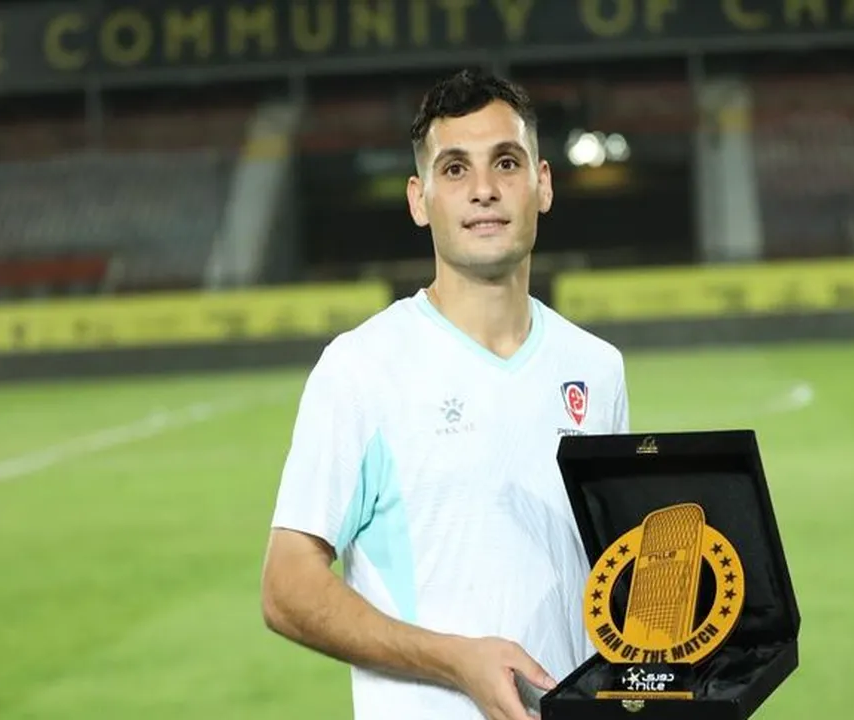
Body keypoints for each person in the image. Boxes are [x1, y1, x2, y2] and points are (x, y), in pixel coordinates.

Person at [260, 69, 631, 720]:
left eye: (506, 163)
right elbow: (286, 586)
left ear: (543, 183)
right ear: (419, 198)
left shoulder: (597, 369)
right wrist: (455, 660)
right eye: (455, 169)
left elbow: (608, 578)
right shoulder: (363, 369)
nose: (484, 189)